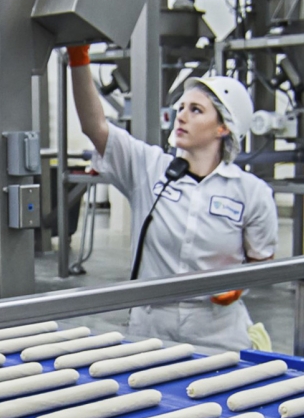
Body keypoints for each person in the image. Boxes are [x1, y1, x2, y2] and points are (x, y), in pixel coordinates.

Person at [68, 44, 278, 351]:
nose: (181, 116)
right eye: (181, 108)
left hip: (218, 331)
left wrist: (237, 286)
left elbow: (261, 260)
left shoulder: (252, 192)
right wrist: (79, 60)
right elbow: (95, 127)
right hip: (152, 327)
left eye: (196, 110)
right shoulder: (148, 167)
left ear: (223, 127)